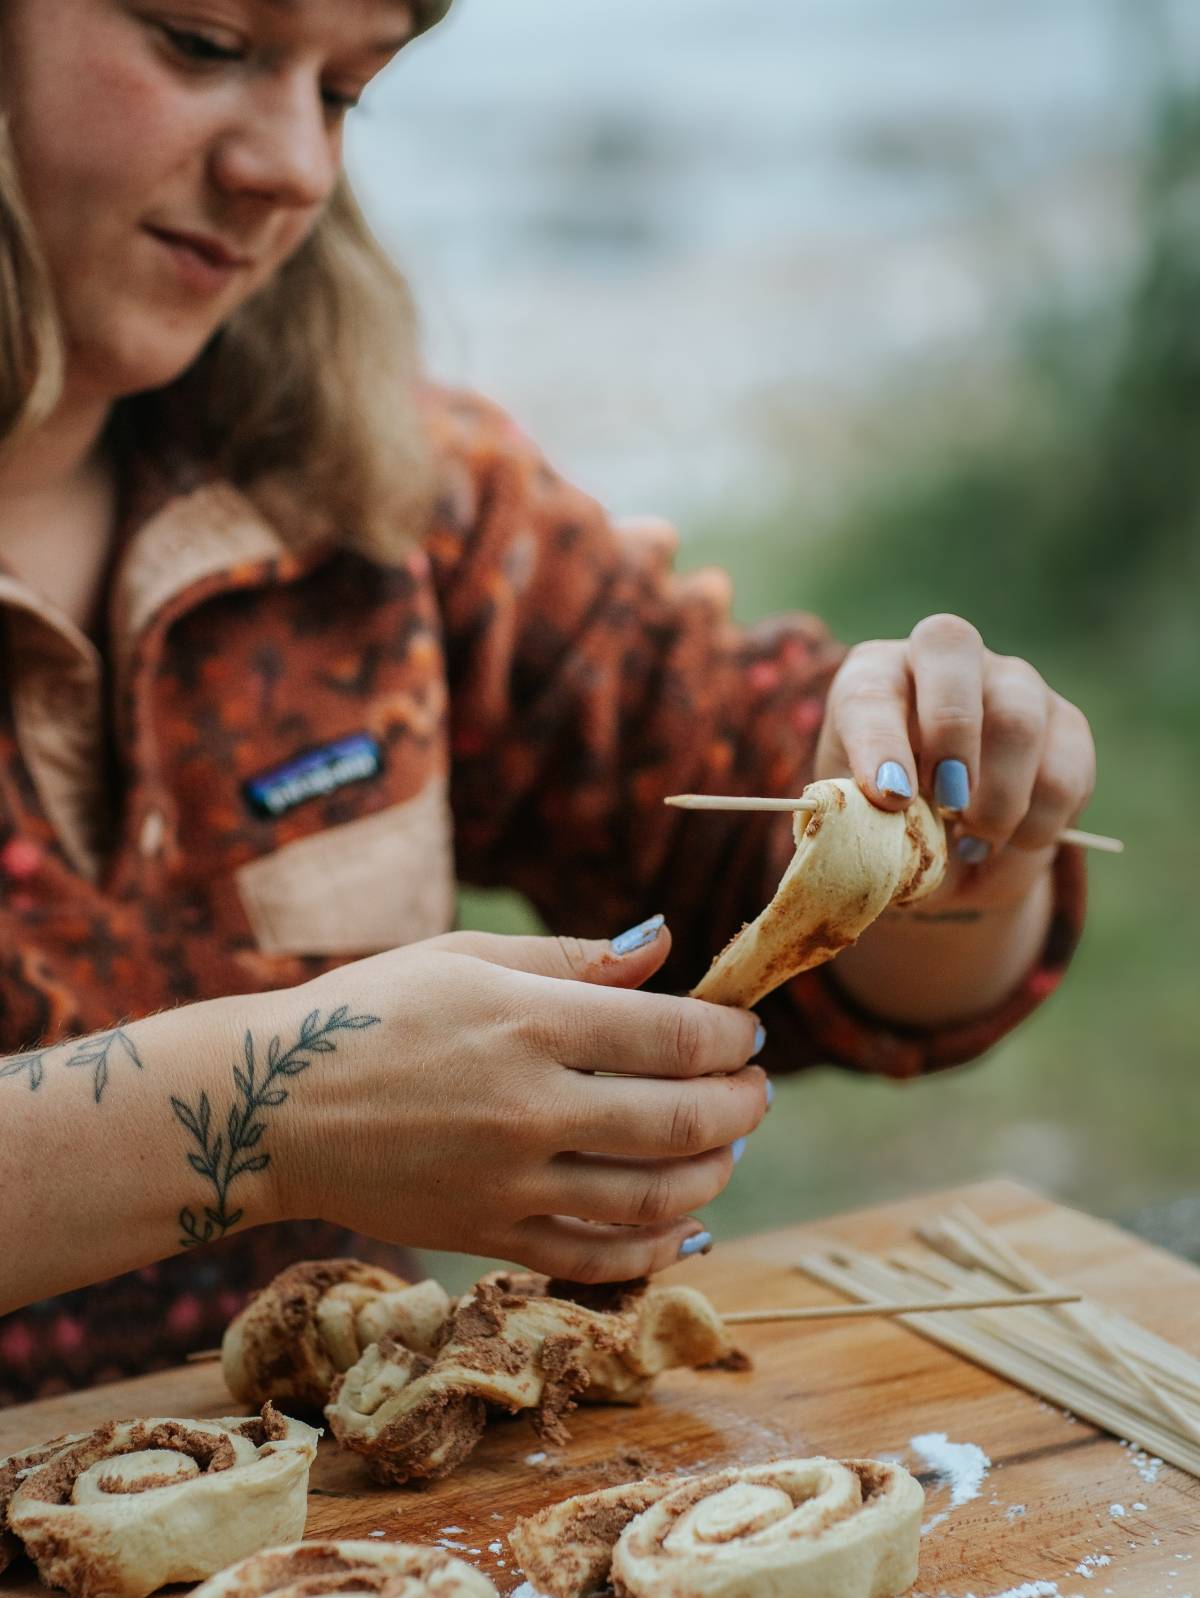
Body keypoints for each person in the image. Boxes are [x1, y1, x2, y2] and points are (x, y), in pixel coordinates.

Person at [0, 0, 1092, 1404]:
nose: (294, 168)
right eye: (206, 43)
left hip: (313, 1591)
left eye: (346, 91)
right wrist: (268, 1110)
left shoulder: (392, 492)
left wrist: (949, 820)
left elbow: (757, 843)